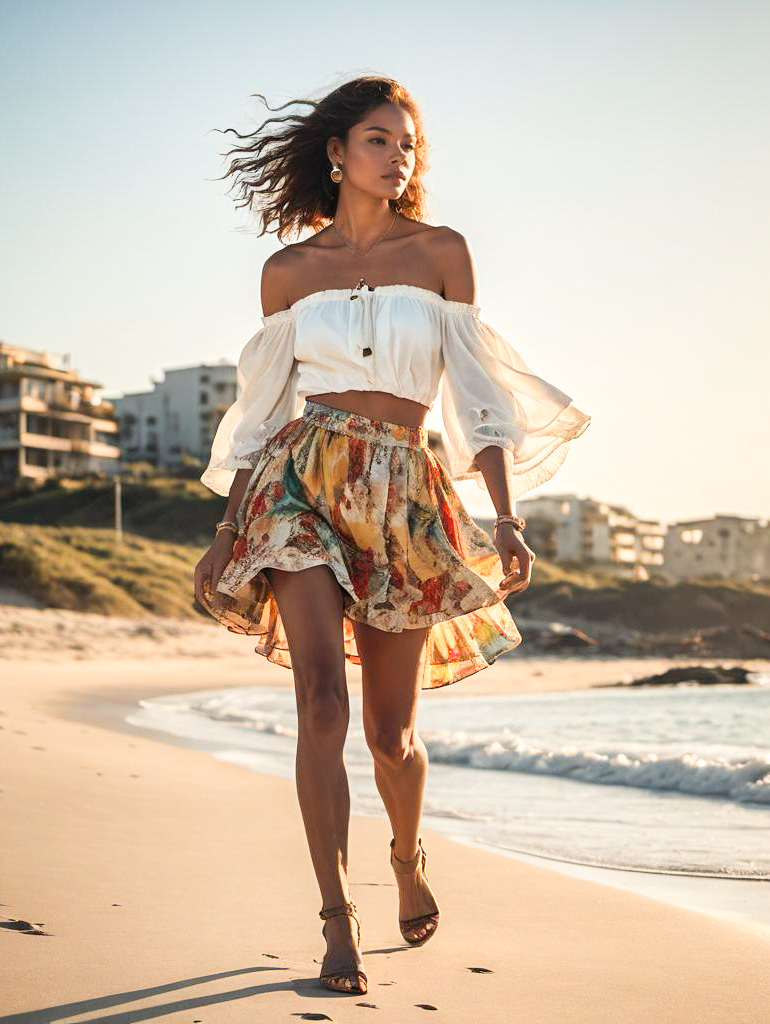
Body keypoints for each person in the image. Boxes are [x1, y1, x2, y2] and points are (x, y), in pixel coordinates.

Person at [193, 75, 591, 996]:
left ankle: (408, 855)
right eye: (379, 139)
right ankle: (336, 916)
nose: (398, 156)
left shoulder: (442, 252)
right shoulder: (289, 273)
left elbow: (477, 399)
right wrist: (227, 527)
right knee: (321, 705)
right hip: (304, 480)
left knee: (389, 736)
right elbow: (261, 410)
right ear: (337, 152)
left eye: (407, 144)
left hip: (405, 491)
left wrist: (503, 515)